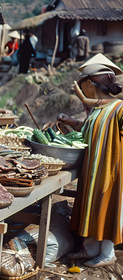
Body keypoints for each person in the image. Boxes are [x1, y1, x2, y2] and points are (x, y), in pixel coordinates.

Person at [61, 64, 123, 268]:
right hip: (94, 168)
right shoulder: (99, 109)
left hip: (110, 169)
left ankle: (107, 253)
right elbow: (88, 128)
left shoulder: (118, 108)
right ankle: (92, 248)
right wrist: (70, 121)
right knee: (93, 206)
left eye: (81, 85)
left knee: (108, 207)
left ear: (88, 83)